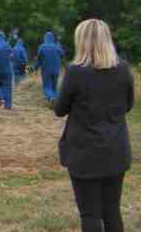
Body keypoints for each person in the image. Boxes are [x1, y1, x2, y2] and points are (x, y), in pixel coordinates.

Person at [54, 19, 134, 232]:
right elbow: (128, 105)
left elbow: (60, 109)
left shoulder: (75, 72)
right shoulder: (123, 69)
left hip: (84, 152)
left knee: (90, 213)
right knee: (112, 210)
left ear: (81, 41)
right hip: (116, 149)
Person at [34, 31, 64, 102]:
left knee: (47, 87)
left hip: (46, 70)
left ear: (45, 38)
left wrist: (35, 68)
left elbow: (39, 60)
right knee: (54, 88)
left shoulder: (42, 47)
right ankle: (56, 103)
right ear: (53, 38)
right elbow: (62, 55)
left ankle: (51, 98)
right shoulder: (57, 47)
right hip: (56, 70)